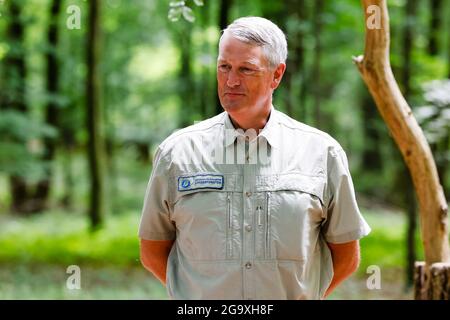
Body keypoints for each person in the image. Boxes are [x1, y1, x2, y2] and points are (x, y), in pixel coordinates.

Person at [138, 16, 371, 300]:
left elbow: (346, 256)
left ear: (276, 75)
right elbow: (152, 250)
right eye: (224, 67)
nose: (231, 80)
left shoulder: (322, 153)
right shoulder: (177, 153)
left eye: (246, 69)